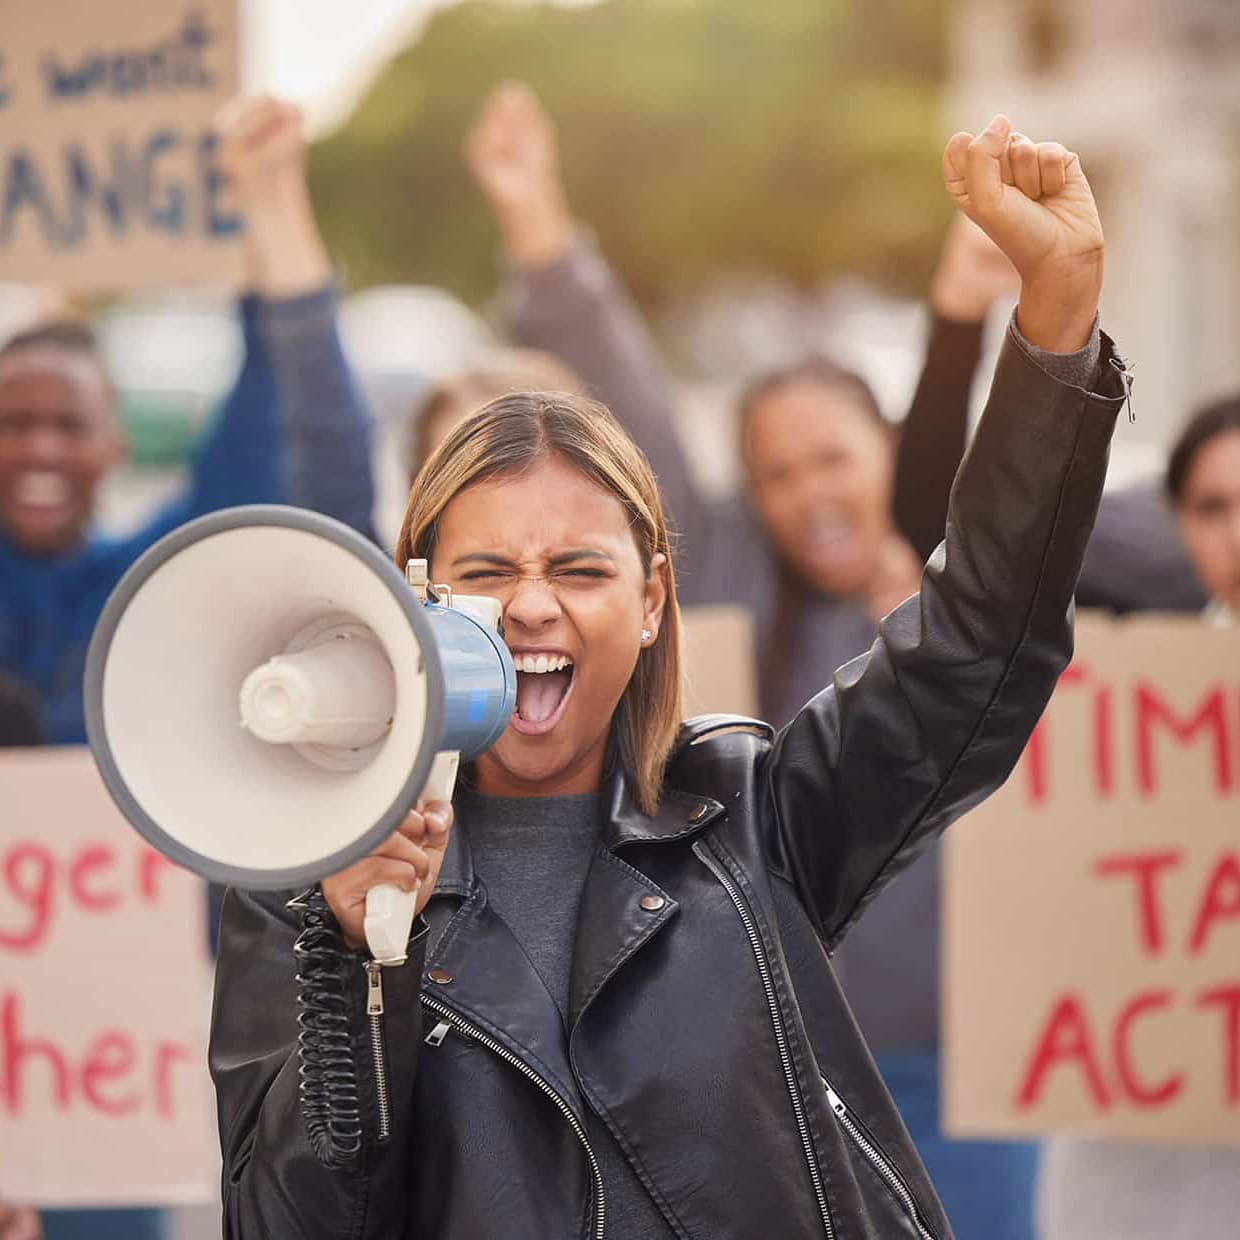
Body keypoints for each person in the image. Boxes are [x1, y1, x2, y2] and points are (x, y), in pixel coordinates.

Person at [211, 115, 1132, 1238]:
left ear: (652, 602)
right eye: (488, 569)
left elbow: (981, 636)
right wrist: (353, 962)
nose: (534, 604)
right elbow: (279, 1218)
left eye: (581, 569)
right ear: (418, 597)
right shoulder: (303, 885)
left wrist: (1056, 315)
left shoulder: (751, 817)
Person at [468, 81, 1041, 1237]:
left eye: (832, 458)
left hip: (961, 1063)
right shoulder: (722, 587)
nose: (808, 495)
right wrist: (539, 224)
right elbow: (630, 411)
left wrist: (960, 316)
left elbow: (971, 528)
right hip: (755, 1064)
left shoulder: (929, 598)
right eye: (775, 474)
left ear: (884, 452)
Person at [0, 94, 368, 1240]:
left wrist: (265, 234)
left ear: (114, 442)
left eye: (70, 424)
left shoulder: (154, 594)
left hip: (101, 1058)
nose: (43, 449)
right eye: (14, 422)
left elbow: (274, 445)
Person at [1036, 395, 1240, 1240]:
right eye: (1214, 507)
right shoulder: (1125, 708)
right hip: (1147, 1151)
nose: (1239, 533)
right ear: (1177, 525)